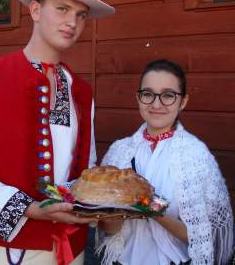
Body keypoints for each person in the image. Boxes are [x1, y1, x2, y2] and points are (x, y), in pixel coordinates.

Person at [0, 0, 114, 265]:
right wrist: (31, 209)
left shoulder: (82, 92)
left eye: (81, 14)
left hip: (70, 248)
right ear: (35, 10)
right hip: (7, 250)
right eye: (62, 8)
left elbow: (86, 167)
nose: (72, 22)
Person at [97, 60, 234, 265]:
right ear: (138, 97)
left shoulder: (196, 156)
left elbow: (201, 236)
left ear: (183, 101)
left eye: (168, 95)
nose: (156, 104)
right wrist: (109, 216)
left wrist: (151, 209)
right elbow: (110, 230)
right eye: (148, 94)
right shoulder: (119, 152)